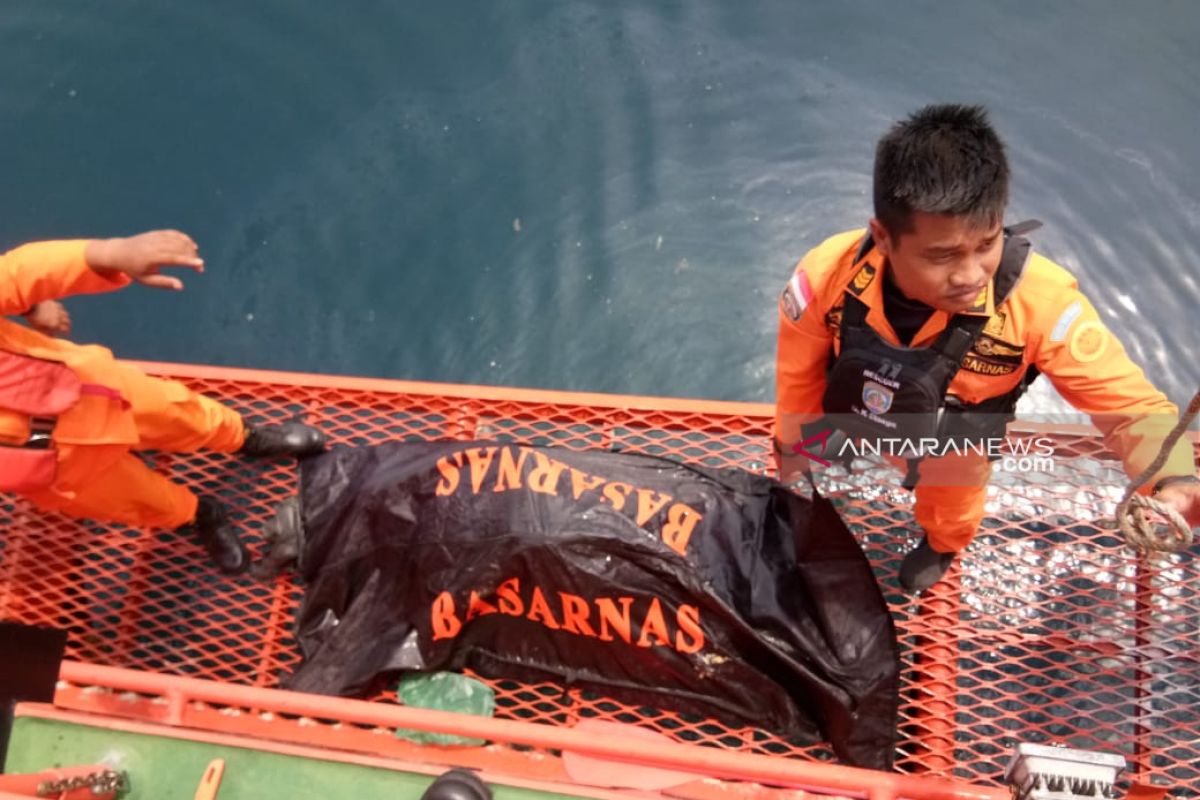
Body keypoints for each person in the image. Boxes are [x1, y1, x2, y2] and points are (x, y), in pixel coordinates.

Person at [774, 104, 1200, 593]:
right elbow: (797, 376)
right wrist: (794, 455)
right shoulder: (827, 276)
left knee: (951, 506)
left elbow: (1130, 409)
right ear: (884, 238)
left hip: (952, 447)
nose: (971, 276)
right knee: (808, 453)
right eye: (943, 255)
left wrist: (1170, 481)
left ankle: (941, 545)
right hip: (853, 408)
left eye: (986, 244)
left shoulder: (1039, 304)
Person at [0, 230, 327, 575]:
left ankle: (246, 437)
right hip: (55, 474)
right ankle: (198, 514)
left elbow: (17, 273)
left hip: (96, 394)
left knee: (180, 413)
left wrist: (109, 254)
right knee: (133, 500)